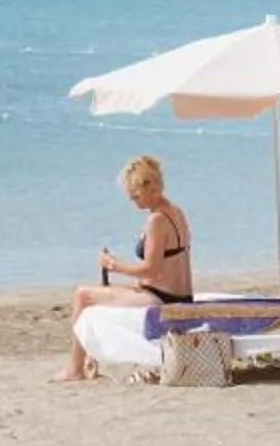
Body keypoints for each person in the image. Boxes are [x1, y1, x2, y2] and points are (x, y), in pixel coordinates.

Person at [56, 155, 192, 382]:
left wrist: (113, 264)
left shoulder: (156, 220)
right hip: (178, 294)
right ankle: (91, 355)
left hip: (162, 299)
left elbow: (151, 270)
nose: (133, 202)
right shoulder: (176, 212)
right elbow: (164, 268)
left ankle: (75, 368)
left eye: (136, 196)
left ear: (152, 189)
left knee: (83, 296)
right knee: (101, 294)